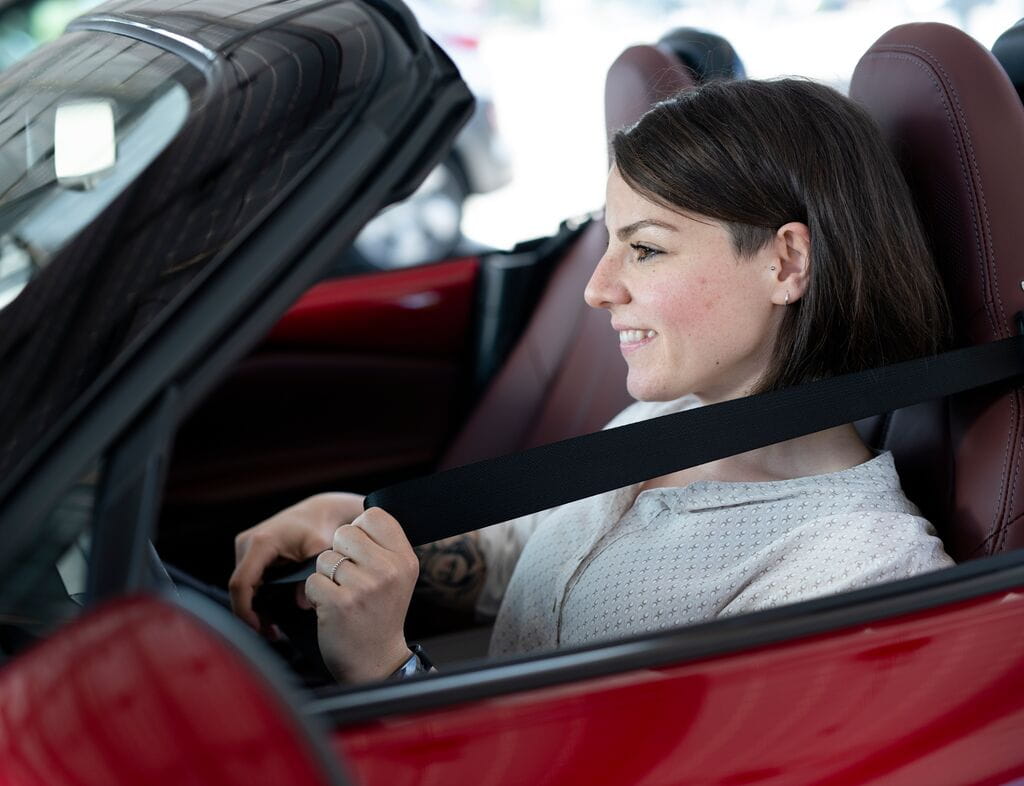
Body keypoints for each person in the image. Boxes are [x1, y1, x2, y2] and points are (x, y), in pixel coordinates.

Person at [229, 78, 955, 684]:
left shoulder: (855, 570)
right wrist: (365, 534)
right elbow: (528, 564)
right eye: (608, 244)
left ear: (787, 264)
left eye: (644, 249)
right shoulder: (665, 425)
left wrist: (387, 672)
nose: (598, 289)